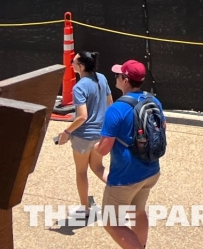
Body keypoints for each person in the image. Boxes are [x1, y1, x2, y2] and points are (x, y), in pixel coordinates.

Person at [96, 60, 163, 249]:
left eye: (118, 75)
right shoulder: (153, 100)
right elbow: (162, 128)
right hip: (151, 170)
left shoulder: (116, 109)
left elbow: (104, 148)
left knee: (111, 222)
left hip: (126, 176)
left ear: (125, 80)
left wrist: (94, 150)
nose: (115, 77)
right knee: (138, 212)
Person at [56, 51, 112, 218]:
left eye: (73, 61)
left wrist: (66, 132)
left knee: (81, 172)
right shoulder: (102, 78)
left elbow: (82, 116)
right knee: (98, 167)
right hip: (101, 134)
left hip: (83, 136)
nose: (71, 63)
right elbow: (110, 104)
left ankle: (85, 209)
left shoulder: (79, 87)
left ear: (81, 66)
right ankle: (122, 195)